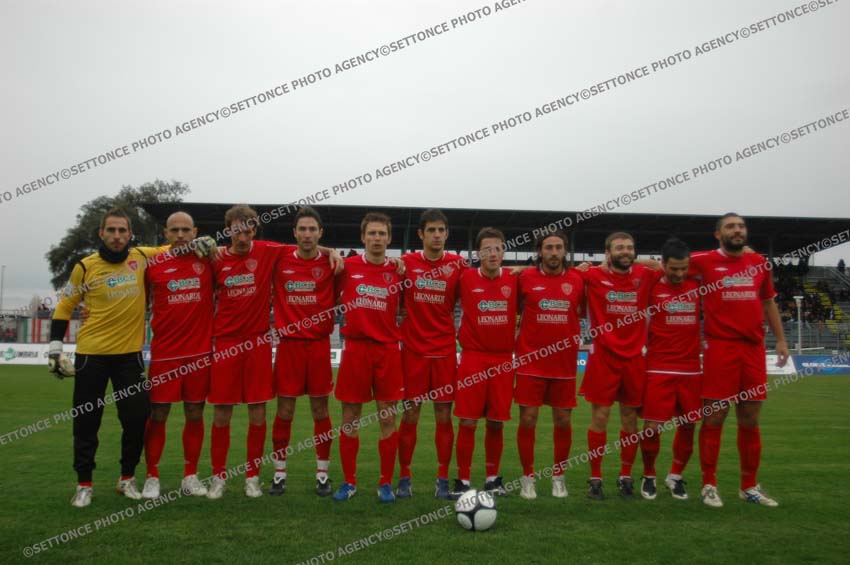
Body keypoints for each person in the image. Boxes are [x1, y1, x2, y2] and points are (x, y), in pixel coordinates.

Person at [49, 207, 213, 507]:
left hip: (129, 356)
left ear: (130, 234)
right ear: (101, 233)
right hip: (91, 355)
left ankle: (127, 479)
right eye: (111, 230)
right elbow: (64, 306)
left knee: (136, 421)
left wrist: (210, 241)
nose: (117, 236)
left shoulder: (142, 257)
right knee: (87, 422)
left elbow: (178, 245)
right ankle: (84, 484)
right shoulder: (85, 266)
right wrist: (55, 348)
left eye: (122, 230)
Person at [689, 213, 789, 507]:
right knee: (714, 416)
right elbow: (666, 262)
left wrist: (781, 339)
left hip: (753, 349)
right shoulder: (703, 261)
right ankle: (709, 485)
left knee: (750, 418)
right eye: (730, 226)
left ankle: (749, 487)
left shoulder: (758, 262)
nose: (737, 230)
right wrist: (607, 263)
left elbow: (768, 301)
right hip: (720, 348)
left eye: (741, 226)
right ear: (718, 234)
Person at [206, 205, 295, 499]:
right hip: (226, 343)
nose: (242, 237)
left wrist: (330, 251)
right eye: (236, 231)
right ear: (227, 230)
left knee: (258, 411)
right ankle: (218, 477)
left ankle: (252, 477)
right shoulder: (216, 257)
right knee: (222, 412)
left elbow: (305, 247)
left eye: (247, 231)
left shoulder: (267, 251)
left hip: (257, 343)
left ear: (255, 230)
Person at [578, 232, 657, 500]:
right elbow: (559, 275)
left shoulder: (644, 275)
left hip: (635, 358)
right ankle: (595, 479)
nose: (626, 251)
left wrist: (635, 260)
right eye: (619, 248)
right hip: (604, 357)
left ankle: (625, 476)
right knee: (600, 418)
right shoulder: (593, 276)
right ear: (607, 253)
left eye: (630, 248)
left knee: (630, 418)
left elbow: (671, 264)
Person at [142, 211, 215, 499]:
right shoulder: (153, 265)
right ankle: (152, 476)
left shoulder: (208, 260)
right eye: (175, 230)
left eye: (186, 229)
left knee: (195, 413)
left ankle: (190, 475)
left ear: (195, 232)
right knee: (158, 413)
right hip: (165, 354)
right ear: (166, 233)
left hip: (199, 353)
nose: (181, 235)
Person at [332, 212, 404, 503]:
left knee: (388, 418)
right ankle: (348, 482)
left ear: (389, 238)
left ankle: (385, 483)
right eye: (372, 233)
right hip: (356, 350)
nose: (377, 238)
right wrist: (328, 250)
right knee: (350, 418)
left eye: (382, 234)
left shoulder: (400, 270)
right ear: (363, 237)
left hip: (387, 351)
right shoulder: (346, 267)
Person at [268, 206, 336, 497]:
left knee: (321, 410)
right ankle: (279, 474)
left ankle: (322, 474)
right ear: (294, 233)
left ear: (320, 233)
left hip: (319, 346)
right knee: (285, 410)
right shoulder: (279, 258)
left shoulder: (333, 264)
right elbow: (245, 246)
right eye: (302, 229)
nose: (307, 234)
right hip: (289, 346)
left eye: (312, 229)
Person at [397, 209, 464, 499]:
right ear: (421, 234)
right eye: (431, 230)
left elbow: (488, 278)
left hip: (445, 351)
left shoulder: (458, 265)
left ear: (447, 234)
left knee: (443, 415)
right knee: (410, 413)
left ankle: (442, 480)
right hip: (413, 351)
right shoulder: (406, 263)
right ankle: (404, 478)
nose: (437, 235)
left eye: (441, 230)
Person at [512, 231, 585, 500]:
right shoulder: (524, 278)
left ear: (565, 250)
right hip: (531, 362)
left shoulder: (579, 279)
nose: (554, 252)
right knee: (528, 419)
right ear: (540, 251)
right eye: (549, 247)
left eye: (558, 247)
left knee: (563, 420)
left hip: (564, 363)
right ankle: (527, 478)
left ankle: (559, 477)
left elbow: (617, 265)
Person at [452, 227, 518, 499]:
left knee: (496, 423)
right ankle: (463, 480)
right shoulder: (464, 277)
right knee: (467, 422)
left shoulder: (515, 278)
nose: (492, 253)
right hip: (473, 358)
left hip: (503, 360)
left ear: (503, 252)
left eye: (497, 248)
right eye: (487, 249)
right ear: (478, 253)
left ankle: (492, 478)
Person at [638, 238, 701, 501]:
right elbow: (629, 264)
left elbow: (717, 260)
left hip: (691, 367)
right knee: (651, 427)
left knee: (688, 425)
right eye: (673, 268)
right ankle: (649, 475)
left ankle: (675, 476)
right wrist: (653, 265)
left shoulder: (697, 282)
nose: (679, 273)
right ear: (663, 264)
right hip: (658, 366)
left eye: (684, 268)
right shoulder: (652, 283)